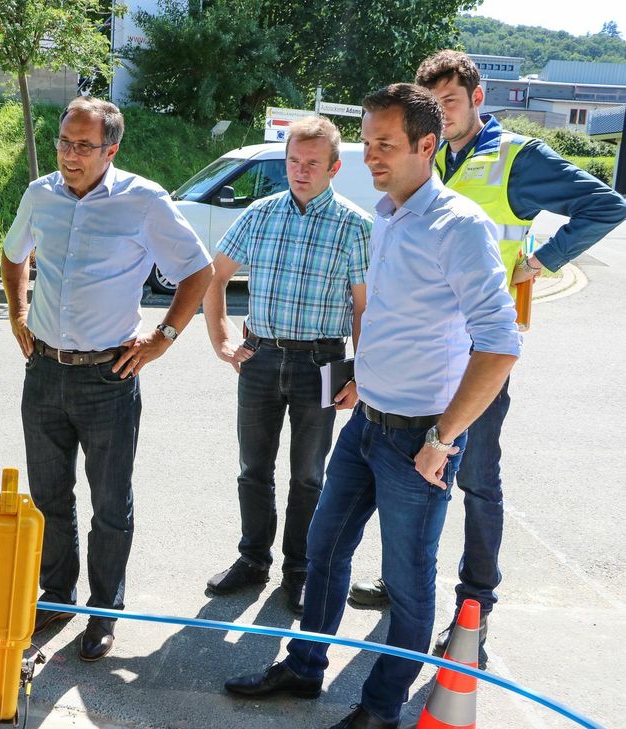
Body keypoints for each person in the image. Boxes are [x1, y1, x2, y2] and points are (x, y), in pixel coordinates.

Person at [223, 84, 521, 729]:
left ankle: (381, 708)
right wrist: (359, 372)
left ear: (426, 144)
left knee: (409, 585)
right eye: (367, 142)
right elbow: (387, 319)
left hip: (419, 439)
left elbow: (498, 346)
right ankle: (304, 669)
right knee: (326, 551)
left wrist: (444, 438)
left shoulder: (457, 225)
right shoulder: (387, 214)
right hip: (366, 423)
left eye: (385, 145)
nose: (372, 156)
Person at [348, 50, 626, 667]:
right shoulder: (431, 156)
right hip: (426, 350)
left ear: (478, 98)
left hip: (482, 355)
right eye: (432, 106)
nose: (441, 116)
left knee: (474, 480)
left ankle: (473, 610)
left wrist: (543, 261)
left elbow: (607, 204)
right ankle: (404, 587)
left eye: (450, 102)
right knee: (410, 478)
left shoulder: (517, 159)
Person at [1, 96, 213, 662]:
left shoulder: (143, 201)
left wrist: (162, 338)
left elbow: (199, 269)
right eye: (65, 143)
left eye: (84, 146)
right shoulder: (39, 193)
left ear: (111, 150)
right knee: (48, 497)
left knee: (110, 501)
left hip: (109, 377)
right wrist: (18, 315)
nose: (70, 155)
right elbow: (13, 253)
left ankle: (104, 610)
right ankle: (57, 595)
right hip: (44, 370)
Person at [202, 115, 371, 615]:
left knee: (308, 474)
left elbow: (365, 309)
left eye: (312, 164)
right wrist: (221, 339)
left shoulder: (355, 225)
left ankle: (298, 568)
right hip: (260, 355)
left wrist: (360, 371)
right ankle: (253, 559)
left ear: (334, 168)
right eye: (294, 161)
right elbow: (214, 279)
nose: (301, 171)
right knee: (253, 468)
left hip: (323, 360)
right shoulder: (260, 214)